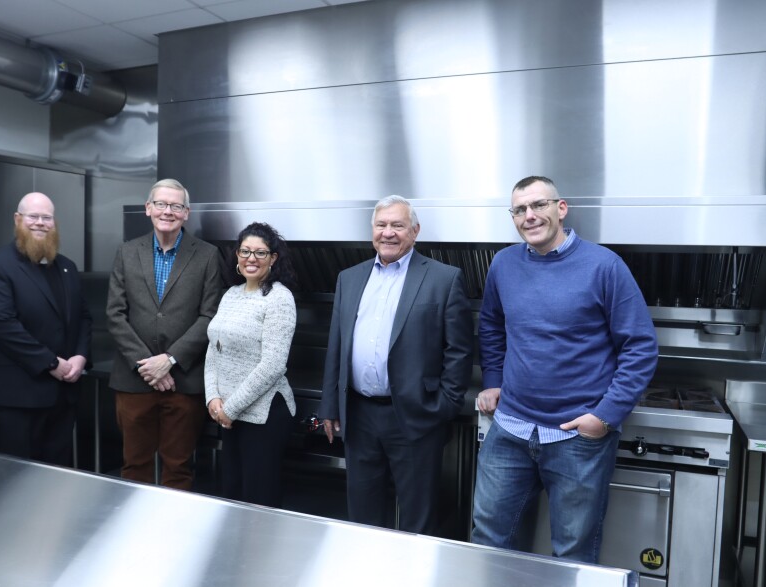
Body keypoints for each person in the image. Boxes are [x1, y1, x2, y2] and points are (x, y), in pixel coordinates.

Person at [471, 176, 658, 563]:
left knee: (573, 552)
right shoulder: (503, 264)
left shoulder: (605, 266)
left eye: (538, 205)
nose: (530, 216)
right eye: (520, 209)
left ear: (561, 208)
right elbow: (490, 325)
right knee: (487, 541)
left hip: (578, 438)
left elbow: (640, 346)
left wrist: (604, 417)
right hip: (510, 428)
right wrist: (493, 381)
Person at [319, 195, 473, 535]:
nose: (388, 233)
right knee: (362, 516)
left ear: (415, 231)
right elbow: (337, 346)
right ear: (372, 230)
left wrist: (444, 406)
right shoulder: (350, 277)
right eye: (381, 225)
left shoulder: (443, 279)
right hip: (358, 417)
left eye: (398, 225)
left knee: (418, 520)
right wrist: (331, 406)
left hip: (415, 417)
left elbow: (459, 351)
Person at [106, 178, 223, 491]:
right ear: (148, 209)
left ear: (186, 213)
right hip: (134, 381)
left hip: (184, 383)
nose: (167, 211)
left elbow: (210, 315)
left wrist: (170, 360)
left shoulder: (208, 255)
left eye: (176, 206)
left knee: (179, 469)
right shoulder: (127, 253)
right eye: (161, 204)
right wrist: (150, 366)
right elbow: (115, 314)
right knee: (135, 467)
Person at [0, 192, 92, 466]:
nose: (40, 223)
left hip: (62, 397)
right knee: (17, 480)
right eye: (33, 216)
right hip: (18, 398)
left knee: (58, 476)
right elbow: (1, 324)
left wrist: (81, 356)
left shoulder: (66, 267)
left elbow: (84, 317)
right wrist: (50, 363)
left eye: (47, 217)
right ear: (18, 219)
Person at [205, 222, 298, 507]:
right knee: (231, 494)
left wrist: (230, 409)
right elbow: (213, 350)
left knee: (257, 500)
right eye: (245, 251)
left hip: (262, 415)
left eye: (260, 252)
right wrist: (213, 397)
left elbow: (273, 365)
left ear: (273, 258)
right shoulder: (231, 295)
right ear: (237, 255)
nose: (251, 258)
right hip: (227, 414)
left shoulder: (279, 298)